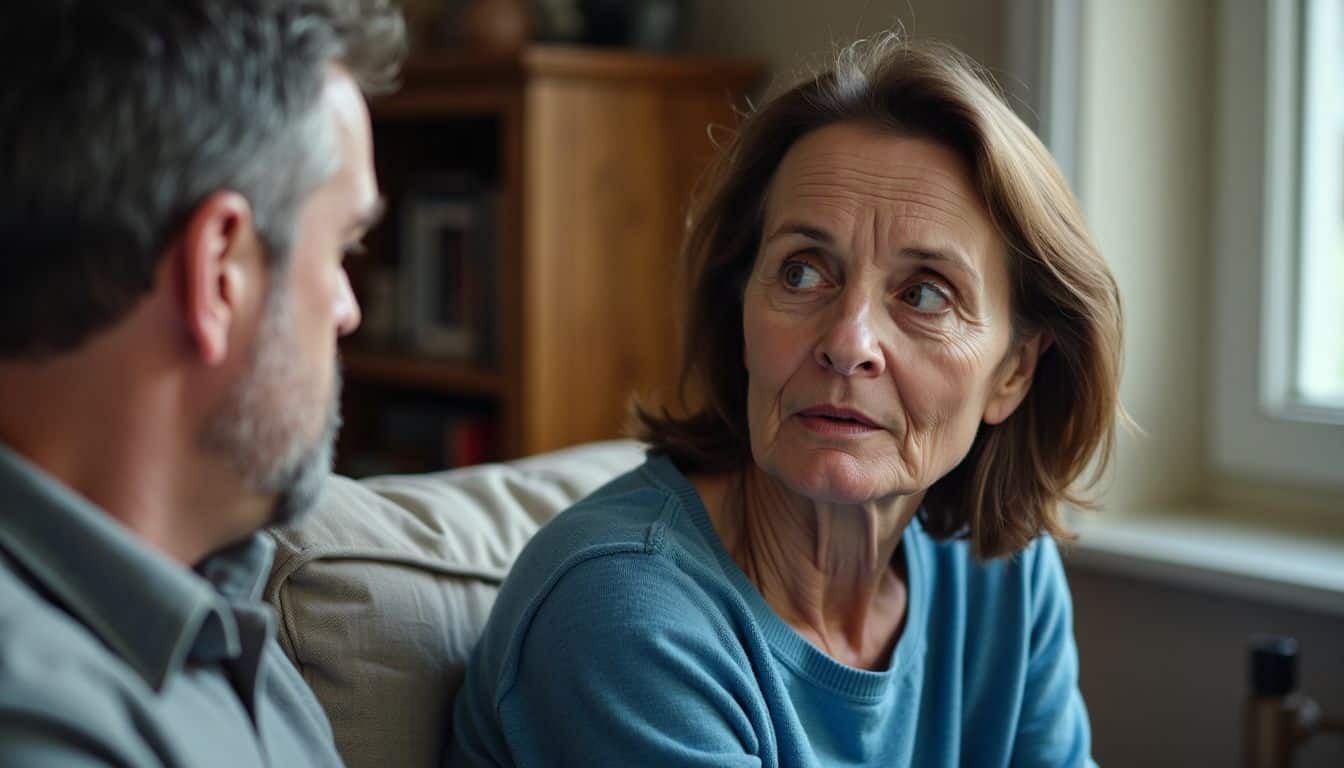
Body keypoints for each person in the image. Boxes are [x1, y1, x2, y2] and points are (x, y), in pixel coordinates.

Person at [451, 35, 1122, 767]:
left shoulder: (1004, 578)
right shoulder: (622, 610)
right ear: (740, 310)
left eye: (925, 293)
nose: (847, 340)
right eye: (802, 273)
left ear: (1014, 374)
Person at [0, 1, 405, 765]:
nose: (348, 310)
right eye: (343, 250)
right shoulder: (37, 718)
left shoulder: (219, 605)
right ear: (220, 272)